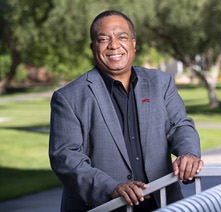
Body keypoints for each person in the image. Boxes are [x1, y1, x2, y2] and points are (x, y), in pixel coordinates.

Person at [49, 10, 203, 212]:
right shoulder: (68, 98)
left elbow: (180, 126)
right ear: (93, 47)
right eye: (104, 39)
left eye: (122, 37)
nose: (114, 45)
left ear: (134, 44)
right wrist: (110, 188)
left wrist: (189, 153)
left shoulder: (160, 83)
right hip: (104, 207)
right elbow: (66, 158)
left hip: (163, 204)